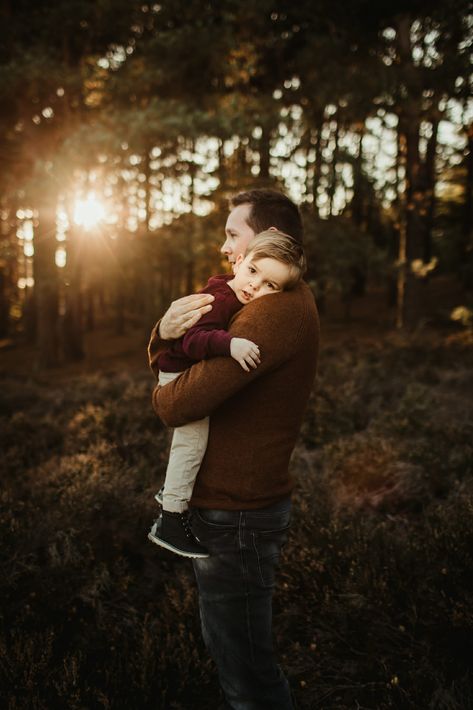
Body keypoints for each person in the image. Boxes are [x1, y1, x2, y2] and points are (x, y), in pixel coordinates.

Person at [148, 189, 320, 710]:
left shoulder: (272, 312)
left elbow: (176, 405)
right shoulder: (258, 297)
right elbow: (180, 344)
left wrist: (161, 364)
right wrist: (162, 333)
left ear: (271, 240)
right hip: (232, 507)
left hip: (238, 512)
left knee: (247, 678)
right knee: (237, 660)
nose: (225, 248)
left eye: (233, 233)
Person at [148, 230, 306, 559]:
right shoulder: (220, 299)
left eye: (270, 286)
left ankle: (172, 493)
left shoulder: (239, 296)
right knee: (191, 444)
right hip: (178, 373)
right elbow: (193, 340)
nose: (255, 287)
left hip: (187, 370)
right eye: (253, 272)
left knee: (190, 445)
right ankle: (171, 518)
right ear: (240, 261)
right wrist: (230, 344)